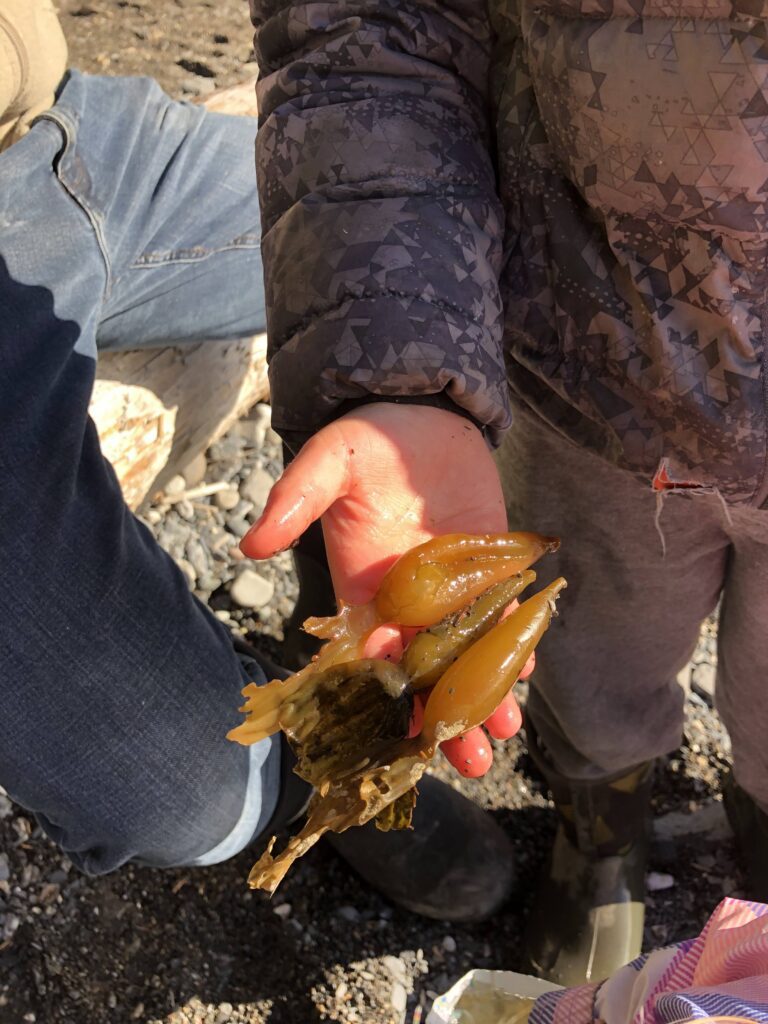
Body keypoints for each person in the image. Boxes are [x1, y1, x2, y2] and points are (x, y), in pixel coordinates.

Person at [236, 0, 768, 988]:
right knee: (591, 655)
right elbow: (372, 30)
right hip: (591, 372)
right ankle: (601, 826)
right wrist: (400, 370)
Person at [0, 0, 522, 926]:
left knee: (481, 256)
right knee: (187, 800)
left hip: (42, 129)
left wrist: (401, 385)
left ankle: (341, 659)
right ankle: (297, 778)